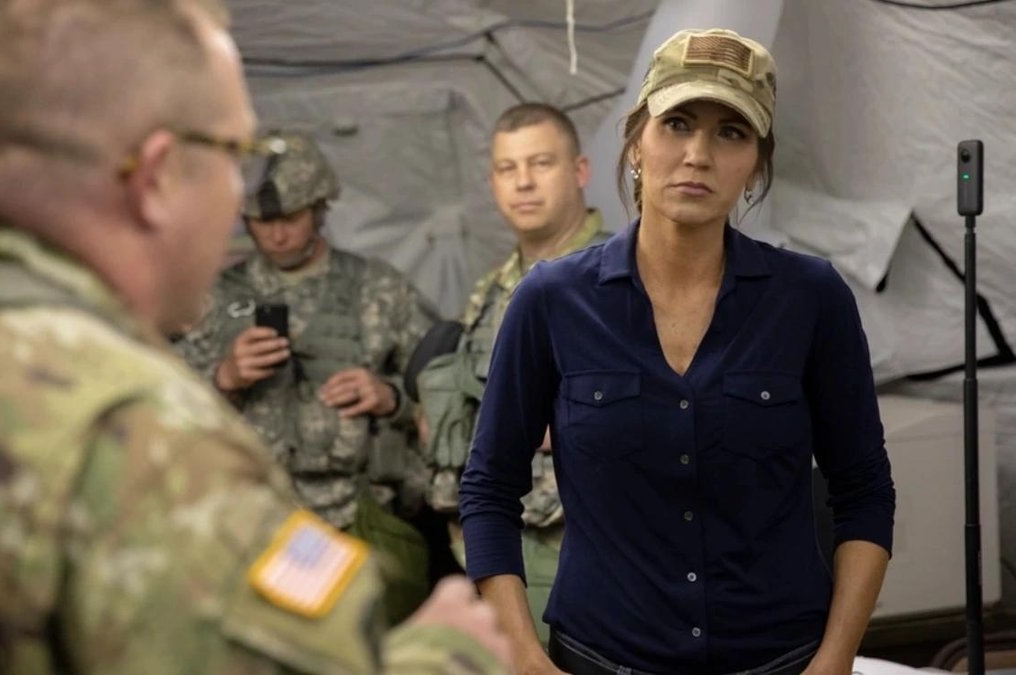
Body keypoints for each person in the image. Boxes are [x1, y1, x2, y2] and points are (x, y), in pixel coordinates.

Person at [0, 1, 511, 673]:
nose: (247, 208)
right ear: (154, 176)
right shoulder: (142, 438)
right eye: (238, 155)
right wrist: (452, 651)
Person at [459, 28, 895, 675]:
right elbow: (489, 487)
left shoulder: (810, 298)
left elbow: (863, 488)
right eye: (678, 124)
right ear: (636, 140)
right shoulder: (552, 299)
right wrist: (524, 656)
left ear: (757, 163)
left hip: (779, 660)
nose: (698, 155)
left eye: (731, 133)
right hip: (600, 658)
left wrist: (835, 660)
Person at [173, 130, 440, 623]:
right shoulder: (209, 300)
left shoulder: (379, 290)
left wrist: (389, 397)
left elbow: (452, 399)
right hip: (253, 525)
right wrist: (224, 378)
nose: (276, 235)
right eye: (262, 221)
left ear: (320, 209)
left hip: (361, 520)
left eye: (291, 218)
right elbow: (164, 415)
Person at [416, 102, 609, 642]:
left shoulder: (621, 278)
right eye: (507, 168)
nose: (523, 182)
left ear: (580, 171)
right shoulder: (492, 288)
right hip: (499, 549)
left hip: (590, 557)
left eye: (541, 163)